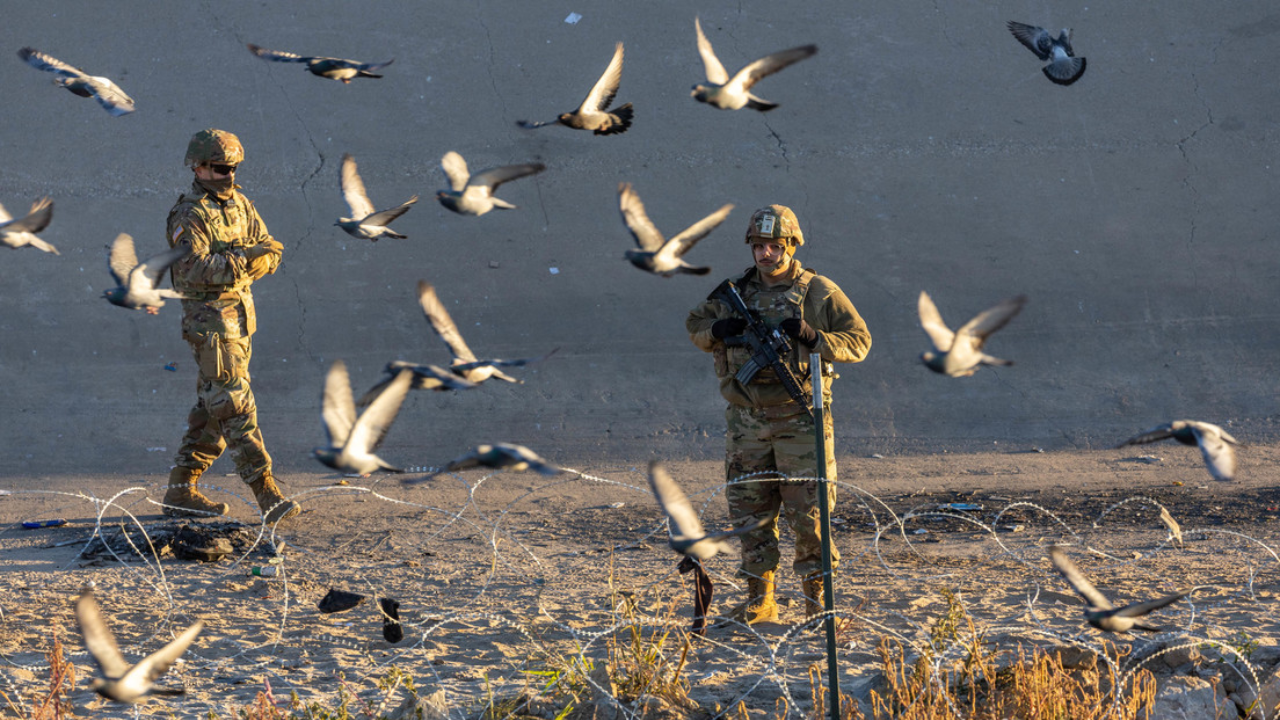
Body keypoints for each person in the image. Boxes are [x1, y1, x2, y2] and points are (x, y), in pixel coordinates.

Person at [686, 205, 871, 622]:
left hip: (801, 421)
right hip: (748, 422)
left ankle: (817, 601)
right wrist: (718, 332)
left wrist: (815, 337)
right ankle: (760, 600)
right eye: (759, 246)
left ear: (791, 246)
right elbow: (695, 324)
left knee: (810, 513)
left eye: (774, 246)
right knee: (750, 511)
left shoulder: (818, 292)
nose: (765, 254)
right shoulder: (735, 292)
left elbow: (859, 342)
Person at [161, 128, 300, 524]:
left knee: (214, 406)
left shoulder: (239, 204)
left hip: (239, 320)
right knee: (233, 403)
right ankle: (266, 492)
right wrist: (246, 260)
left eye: (234, 168)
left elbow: (270, 247)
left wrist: (254, 258)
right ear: (199, 167)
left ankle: (180, 488)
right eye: (221, 168)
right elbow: (193, 269)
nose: (229, 176)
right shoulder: (189, 214)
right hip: (209, 325)